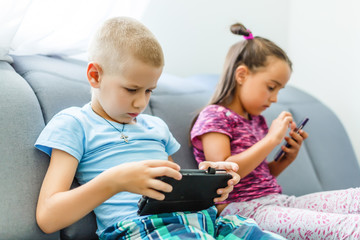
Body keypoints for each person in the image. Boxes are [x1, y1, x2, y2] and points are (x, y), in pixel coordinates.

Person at [34, 17, 286, 240]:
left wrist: (208, 186)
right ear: (95, 76)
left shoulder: (156, 127)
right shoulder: (75, 123)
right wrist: (115, 181)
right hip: (140, 228)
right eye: (131, 89)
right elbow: (48, 218)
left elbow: (171, 187)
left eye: (149, 91)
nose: (141, 102)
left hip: (203, 221)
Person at [190, 22, 360, 239]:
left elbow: (259, 176)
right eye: (271, 87)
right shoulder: (214, 116)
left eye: (279, 90)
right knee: (351, 227)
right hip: (242, 211)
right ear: (241, 75)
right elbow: (223, 176)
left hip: (276, 201)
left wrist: (285, 159)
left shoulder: (256, 120)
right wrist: (271, 140)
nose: (275, 98)